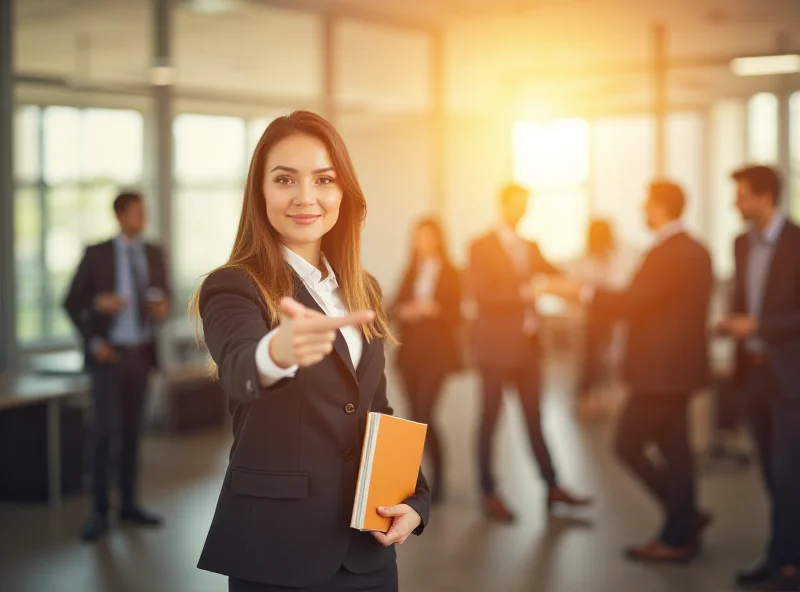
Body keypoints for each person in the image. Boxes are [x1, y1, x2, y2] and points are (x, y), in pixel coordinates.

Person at [193, 111, 430, 592]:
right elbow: (240, 367)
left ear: (344, 193)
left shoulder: (363, 289)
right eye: (285, 179)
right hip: (279, 554)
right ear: (260, 192)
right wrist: (276, 352)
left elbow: (376, 410)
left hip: (368, 551)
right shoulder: (234, 286)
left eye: (324, 179)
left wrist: (416, 500)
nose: (306, 197)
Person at [539, 181, 713, 563]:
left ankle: (678, 528)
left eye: (646, 204)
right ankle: (684, 522)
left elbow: (634, 302)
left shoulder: (669, 252)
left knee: (627, 444)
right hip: (677, 372)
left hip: (659, 373)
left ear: (661, 207)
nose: (642, 210)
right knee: (677, 451)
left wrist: (578, 292)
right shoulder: (695, 249)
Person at [468, 182, 591, 523]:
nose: (521, 211)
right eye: (516, 204)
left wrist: (580, 281)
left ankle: (552, 485)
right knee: (489, 421)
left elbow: (554, 273)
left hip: (528, 348)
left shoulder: (530, 245)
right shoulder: (481, 246)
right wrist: (528, 289)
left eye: (526, 205)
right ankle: (488, 491)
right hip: (495, 348)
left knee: (535, 419)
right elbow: (484, 294)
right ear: (503, 204)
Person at [63, 191, 171, 542]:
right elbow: (71, 301)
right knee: (104, 434)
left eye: (145, 211)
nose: (144, 217)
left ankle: (128, 504)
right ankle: (98, 512)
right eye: (138, 212)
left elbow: (165, 294)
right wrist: (97, 310)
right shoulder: (97, 254)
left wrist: (162, 308)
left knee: (131, 433)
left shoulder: (154, 252)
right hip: (108, 356)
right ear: (121, 215)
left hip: (141, 355)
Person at [719, 165, 800, 592]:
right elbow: (743, 300)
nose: (736, 202)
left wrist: (759, 325)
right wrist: (732, 325)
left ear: (764, 197)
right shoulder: (739, 245)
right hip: (752, 375)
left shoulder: (797, 242)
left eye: (741, 195)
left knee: (789, 472)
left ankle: (786, 565)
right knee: (770, 470)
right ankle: (783, 554)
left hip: (790, 375)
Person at [392, 216, 462, 503]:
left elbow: (457, 313)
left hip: (438, 353)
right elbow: (396, 305)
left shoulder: (451, 272)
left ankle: (438, 480)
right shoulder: (410, 270)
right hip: (410, 352)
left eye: (429, 237)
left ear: (438, 240)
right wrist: (405, 311)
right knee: (413, 418)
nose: (424, 243)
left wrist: (433, 308)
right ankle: (412, 482)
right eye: (420, 237)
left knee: (425, 415)